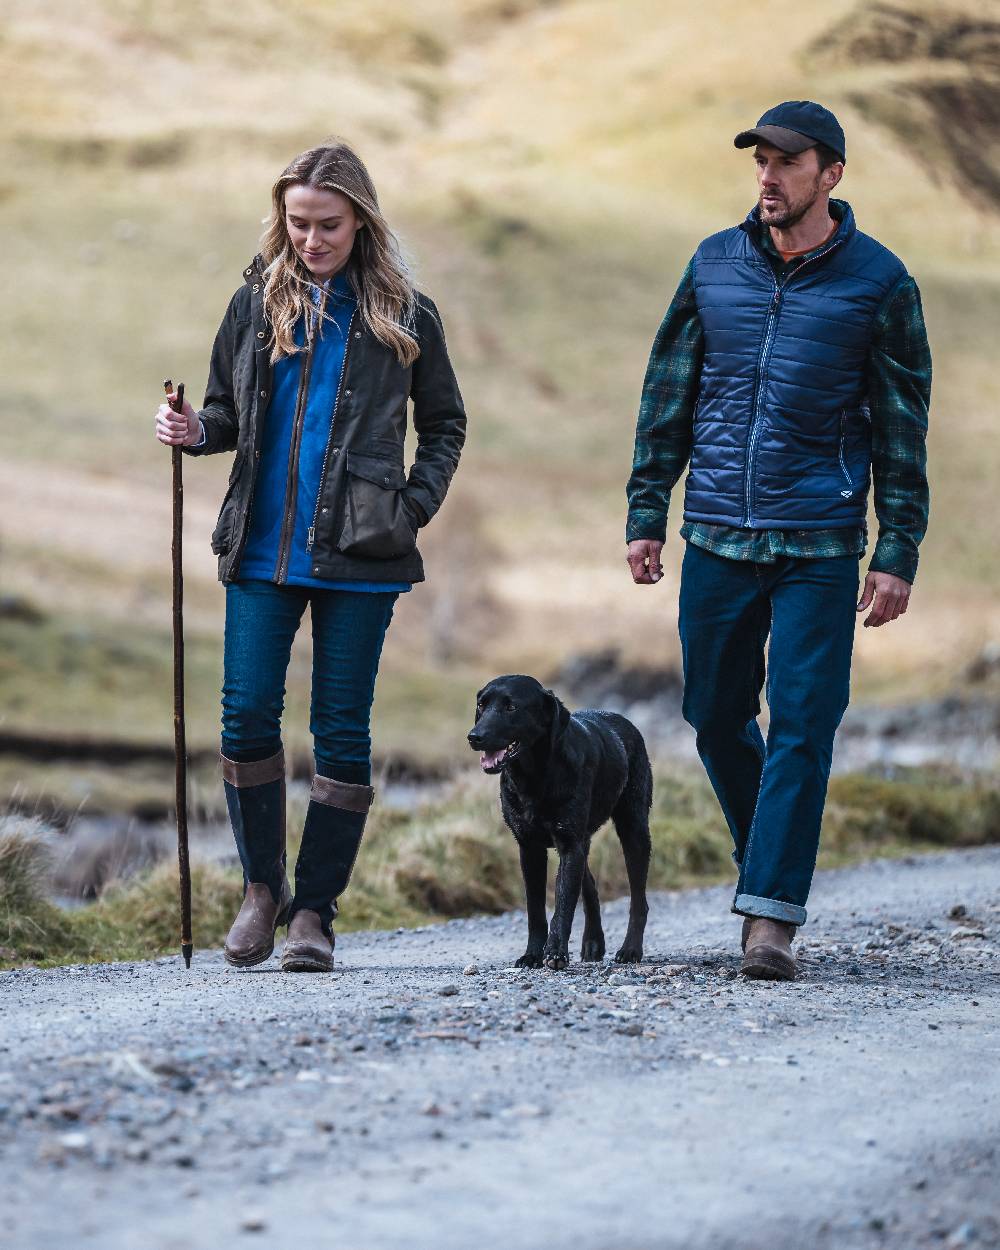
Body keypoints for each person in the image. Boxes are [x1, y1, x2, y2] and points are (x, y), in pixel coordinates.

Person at [625, 101, 931, 980]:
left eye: (787, 163)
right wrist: (648, 511)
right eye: (760, 160)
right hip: (718, 532)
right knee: (715, 718)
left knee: (803, 723)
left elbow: (903, 426)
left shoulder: (880, 281)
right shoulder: (713, 265)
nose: (767, 176)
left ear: (830, 174)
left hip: (822, 543)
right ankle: (770, 857)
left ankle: (769, 916)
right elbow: (667, 392)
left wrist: (897, 548)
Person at [155, 142, 466, 973]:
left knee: (340, 728)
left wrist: (412, 508)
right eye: (298, 223)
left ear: (361, 218)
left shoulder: (406, 313)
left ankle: (315, 914)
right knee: (246, 715)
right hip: (259, 545)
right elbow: (225, 414)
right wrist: (193, 434)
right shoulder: (254, 304)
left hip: (364, 551)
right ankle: (262, 892)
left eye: (328, 224)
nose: (312, 239)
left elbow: (445, 426)